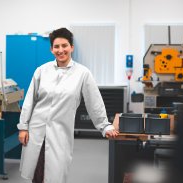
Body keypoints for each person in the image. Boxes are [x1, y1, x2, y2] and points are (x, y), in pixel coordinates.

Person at [17, 27, 118, 183]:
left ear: (72, 47)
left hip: (60, 134)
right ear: (51, 49)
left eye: (64, 45)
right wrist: (23, 127)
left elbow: (94, 102)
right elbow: (30, 101)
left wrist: (104, 126)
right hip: (36, 131)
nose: (61, 50)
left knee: (54, 175)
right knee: (37, 175)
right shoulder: (41, 71)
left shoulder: (82, 73)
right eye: (56, 46)